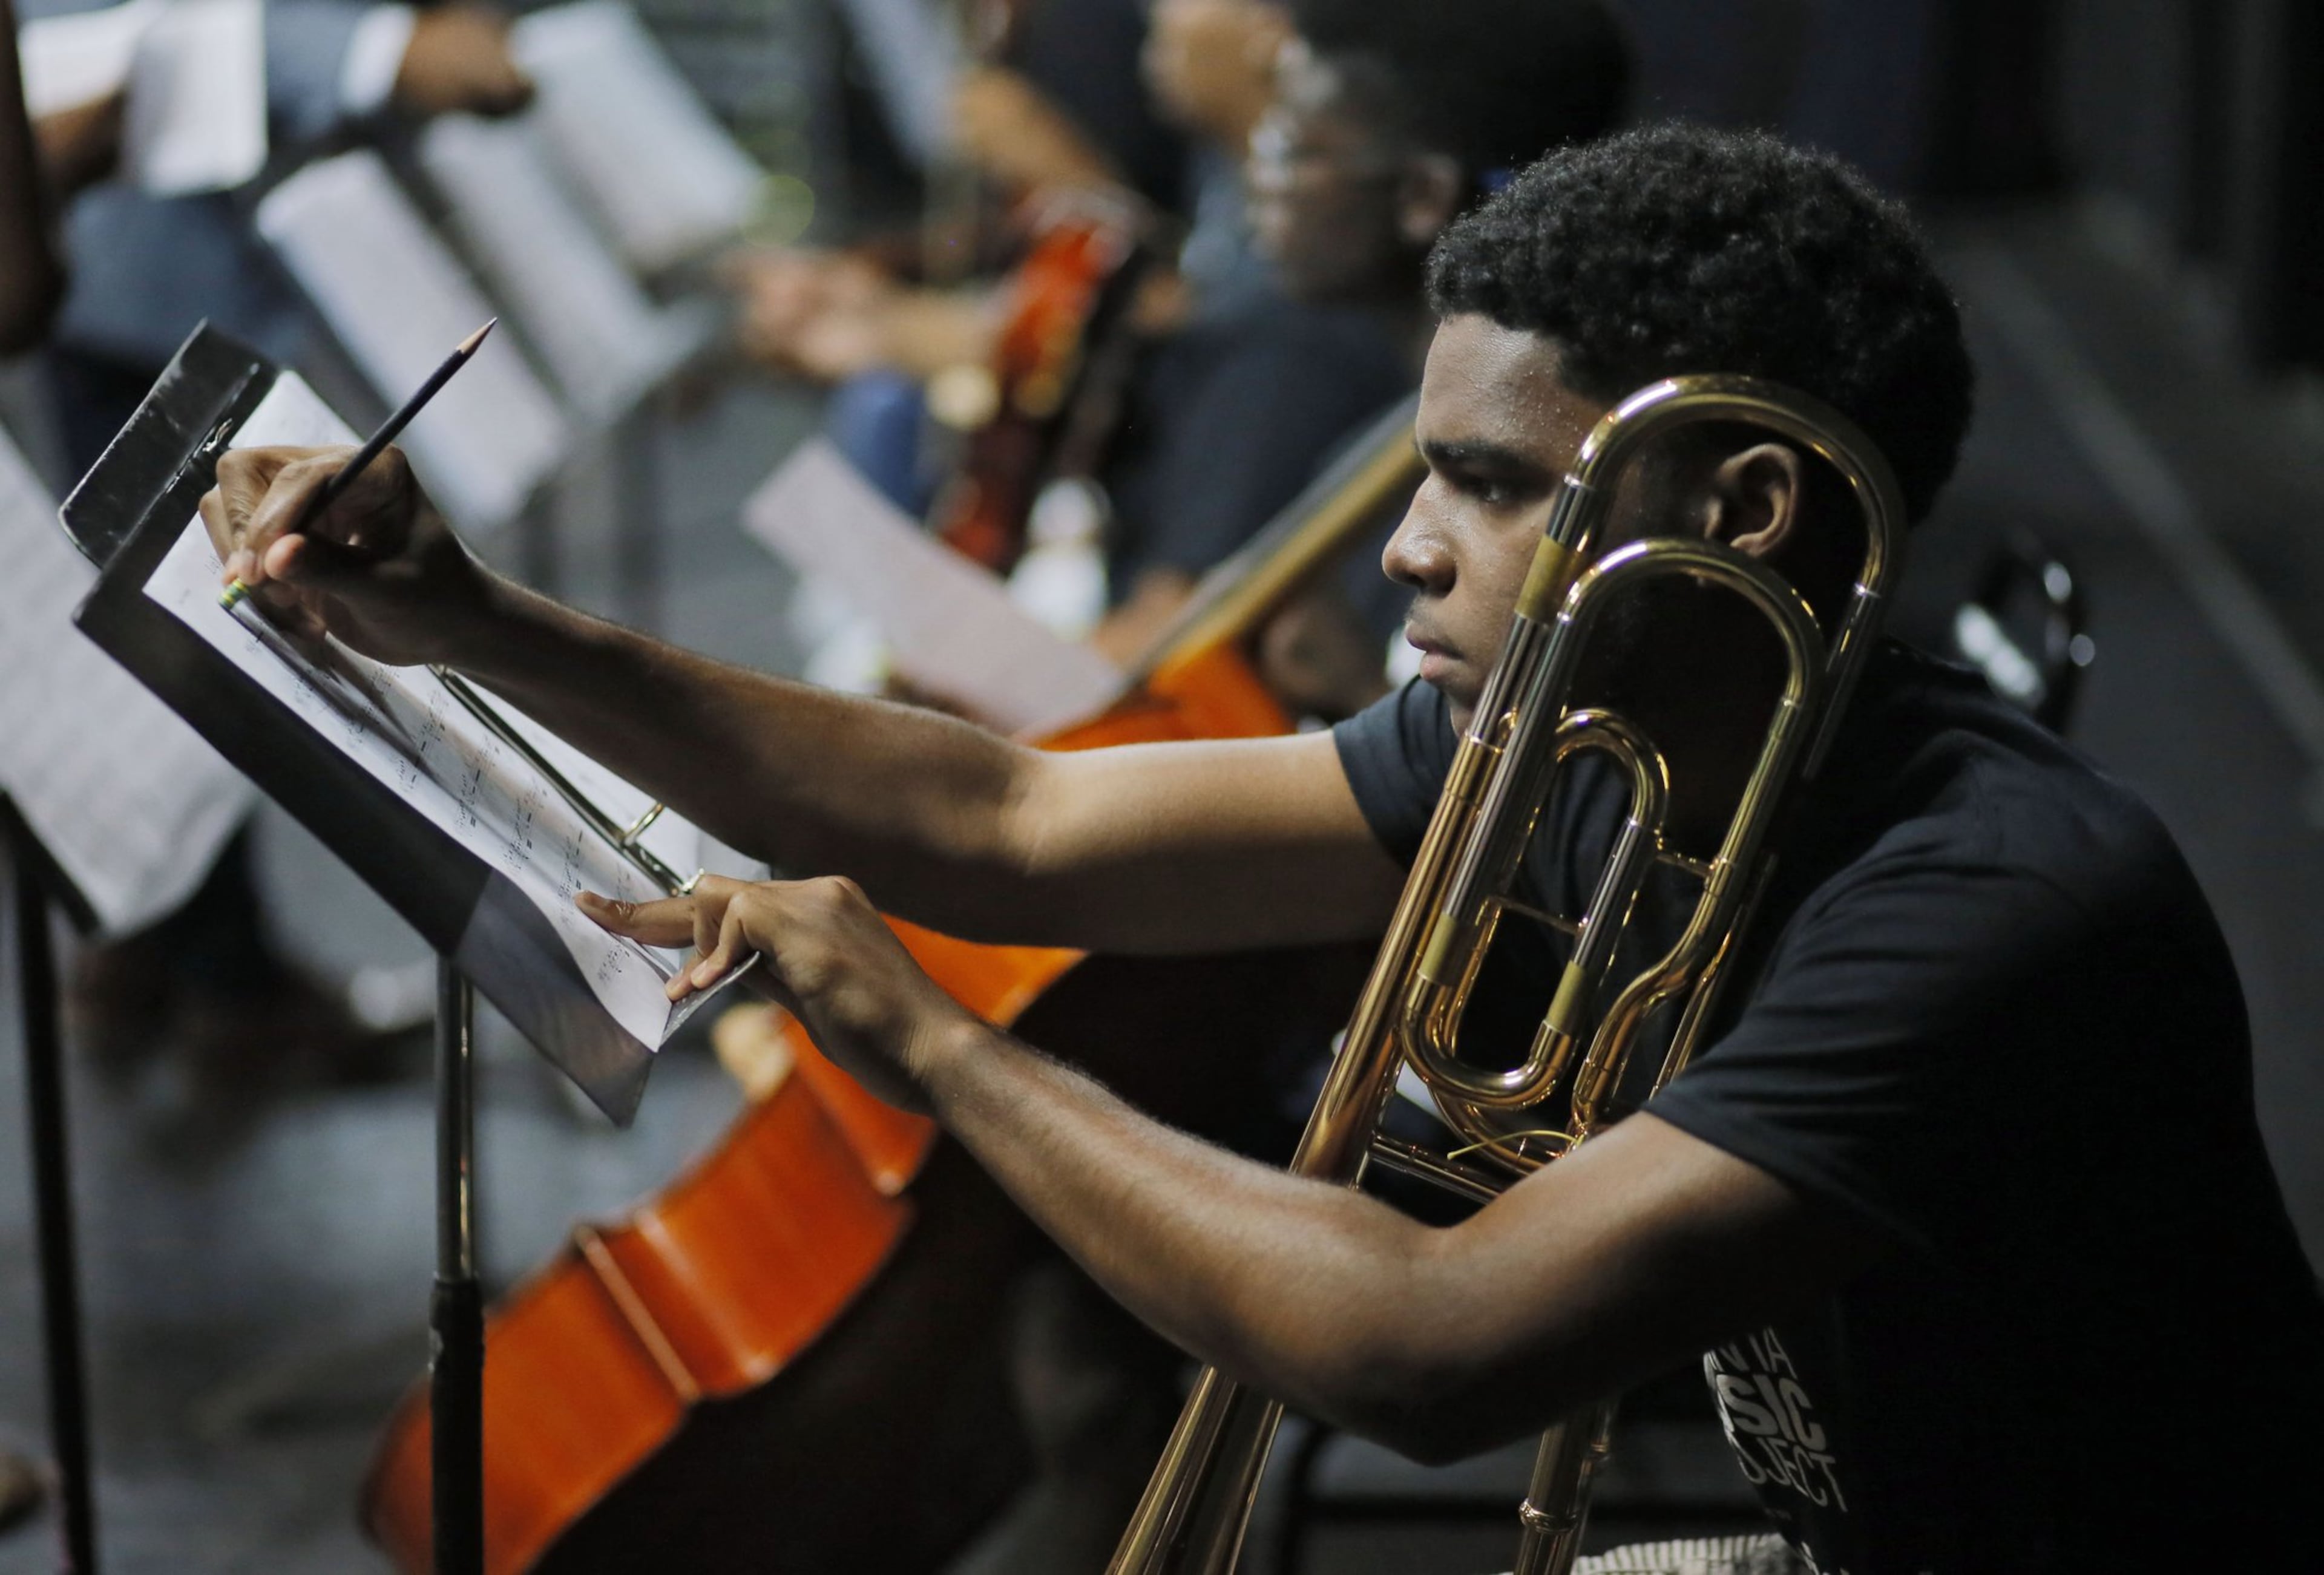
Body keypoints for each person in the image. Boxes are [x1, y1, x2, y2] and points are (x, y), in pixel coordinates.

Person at [197, 125, 2324, 1572]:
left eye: (1490, 488)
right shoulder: (1587, 729)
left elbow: (1429, 1342)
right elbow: (1013, 818)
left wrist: (939, 1052)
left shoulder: (1996, 900)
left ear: (1740, 516)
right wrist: (465, 619)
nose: (1403, 545)